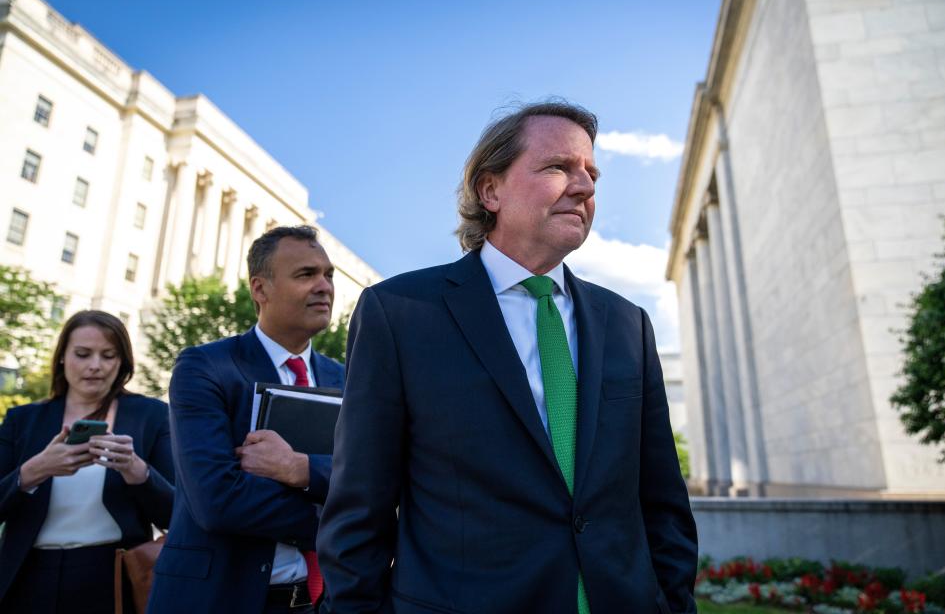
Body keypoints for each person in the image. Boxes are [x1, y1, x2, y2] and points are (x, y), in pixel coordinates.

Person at [317, 101, 698, 613]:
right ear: (490, 190)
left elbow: (662, 502)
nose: (584, 187)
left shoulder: (627, 323)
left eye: (591, 173)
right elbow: (360, 504)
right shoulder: (401, 313)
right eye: (558, 167)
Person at [148, 225, 343, 614]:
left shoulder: (347, 379)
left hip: (318, 602)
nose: (324, 286)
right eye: (306, 274)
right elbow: (216, 500)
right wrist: (339, 519)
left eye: (328, 274)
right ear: (260, 289)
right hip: (213, 600)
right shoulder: (204, 367)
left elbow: (377, 479)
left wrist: (301, 470)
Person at [0, 310, 174, 614]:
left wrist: (138, 471)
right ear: (62, 357)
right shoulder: (23, 420)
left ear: (122, 362)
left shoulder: (151, 415)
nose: (95, 366)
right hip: (28, 575)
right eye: (83, 354)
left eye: (108, 355)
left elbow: (177, 515)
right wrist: (34, 471)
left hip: (112, 576)